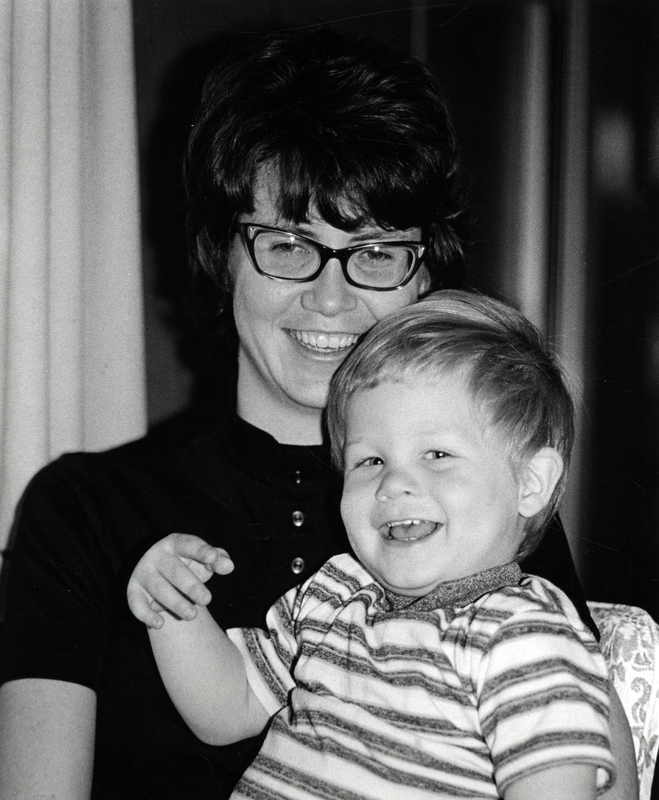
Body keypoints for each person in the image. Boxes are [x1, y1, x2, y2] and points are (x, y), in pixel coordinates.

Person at [0, 28, 636, 800]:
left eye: (373, 250)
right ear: (223, 253)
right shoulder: (86, 511)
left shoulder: (475, 513)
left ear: (422, 270)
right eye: (289, 243)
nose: (330, 297)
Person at [127, 291, 616, 800]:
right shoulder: (335, 594)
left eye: (437, 454)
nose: (392, 485)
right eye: (370, 462)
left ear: (530, 484)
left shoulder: (524, 634)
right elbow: (226, 712)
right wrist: (174, 605)